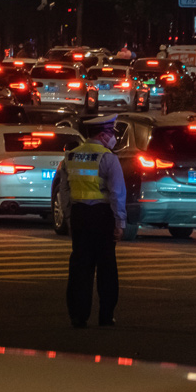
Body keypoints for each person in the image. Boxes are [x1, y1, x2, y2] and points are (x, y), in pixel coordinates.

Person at [54, 114, 127, 328]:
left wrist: (68, 216)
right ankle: (106, 316)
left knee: (80, 269)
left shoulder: (71, 156)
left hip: (79, 216)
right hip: (102, 216)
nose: (113, 138)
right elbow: (117, 193)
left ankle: (78, 315)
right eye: (111, 134)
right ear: (103, 135)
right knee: (106, 268)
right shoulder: (108, 158)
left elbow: (64, 190)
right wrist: (119, 223)